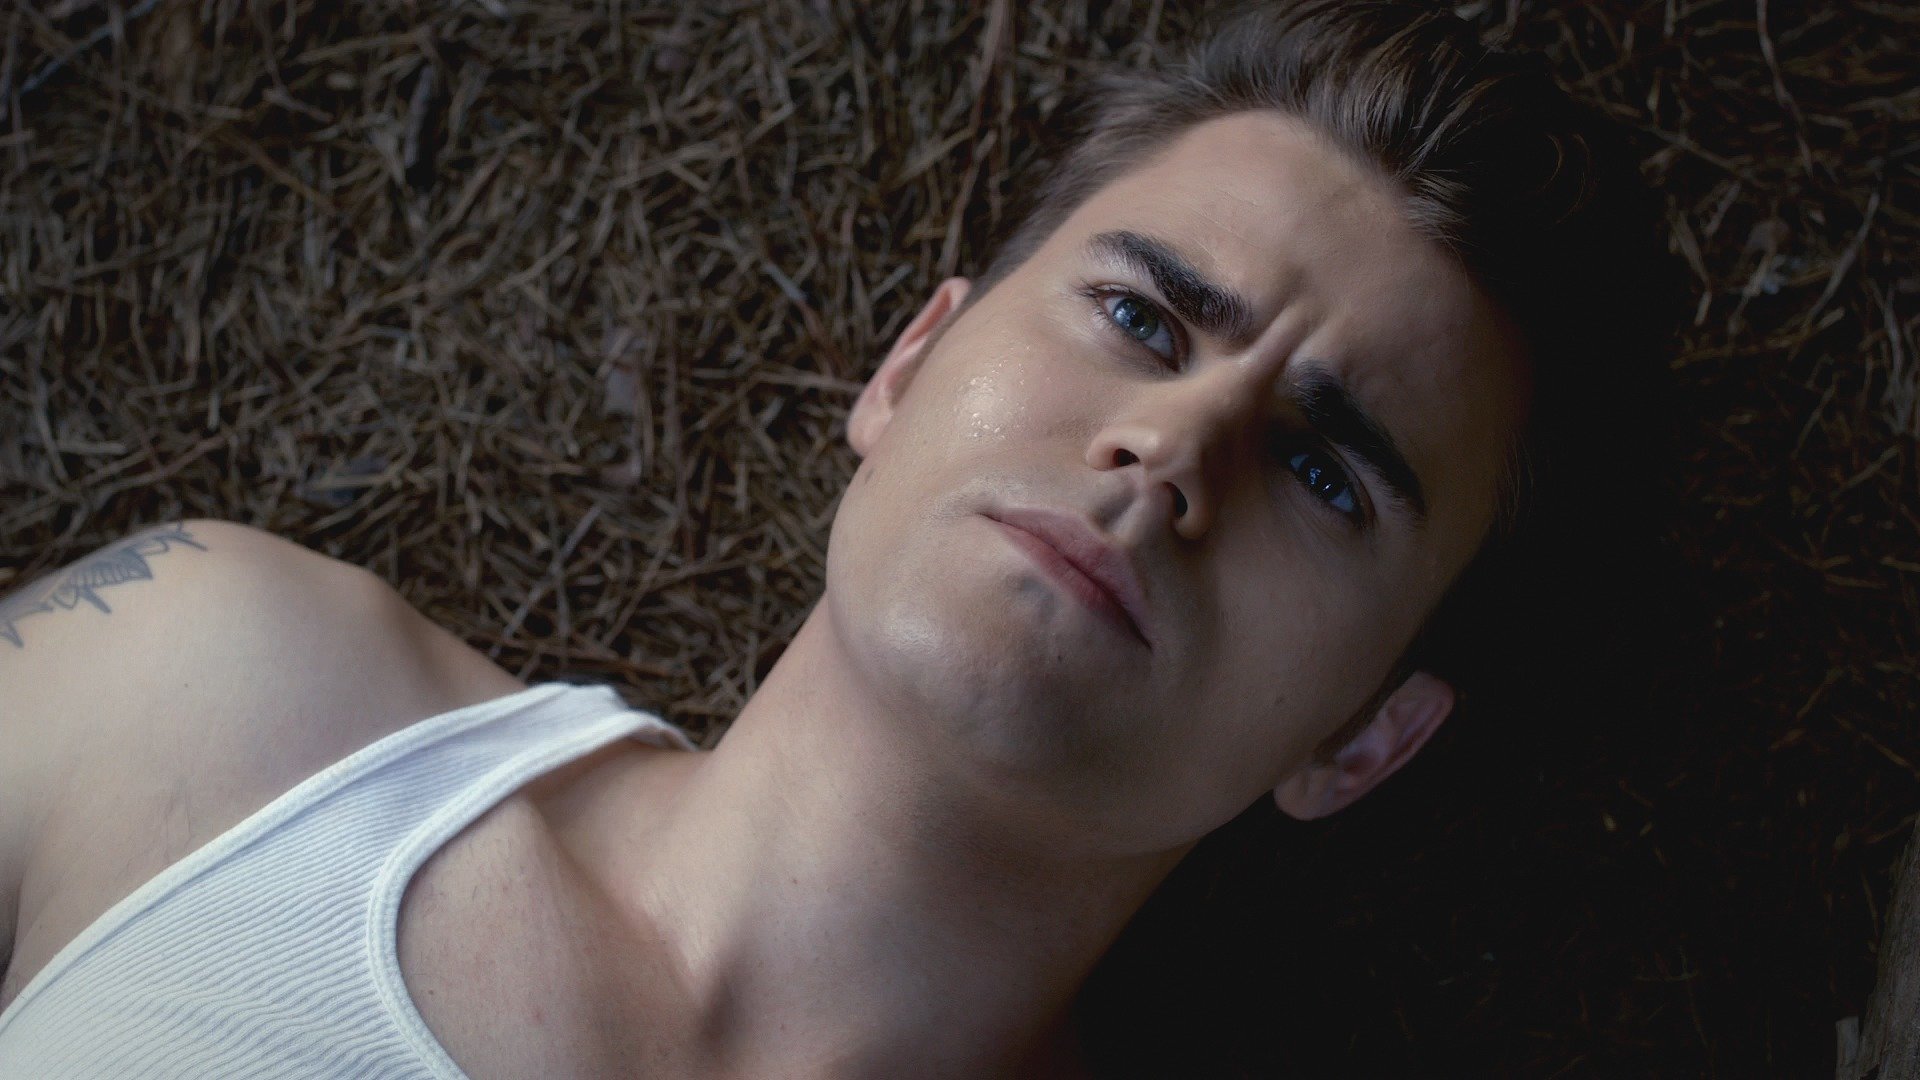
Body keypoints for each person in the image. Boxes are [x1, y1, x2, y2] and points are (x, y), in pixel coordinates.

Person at [0, 1, 1678, 1076]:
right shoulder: (211, 691)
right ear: (911, 363)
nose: (1174, 450)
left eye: (1325, 472)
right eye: (1140, 317)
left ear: (1364, 739)